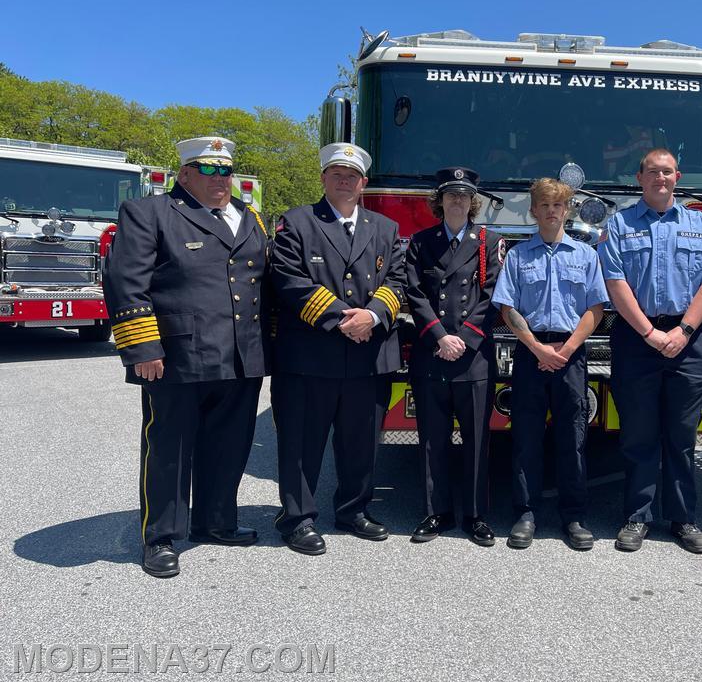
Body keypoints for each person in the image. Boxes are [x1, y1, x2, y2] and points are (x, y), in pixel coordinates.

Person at [103, 136, 270, 578]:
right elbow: (125, 280)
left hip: (241, 355)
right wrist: (141, 346)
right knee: (169, 450)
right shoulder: (150, 212)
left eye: (226, 171)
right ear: (185, 173)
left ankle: (215, 521)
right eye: (208, 170)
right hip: (177, 356)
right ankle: (161, 536)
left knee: (229, 445)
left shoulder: (249, 217)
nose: (220, 179)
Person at [270, 142, 404, 556]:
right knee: (302, 443)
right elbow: (288, 280)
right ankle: (297, 518)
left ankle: (352, 509)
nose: (344, 181)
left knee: (360, 441)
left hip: (368, 356)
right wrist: (346, 319)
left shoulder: (386, 228)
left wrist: (374, 315)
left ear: (364, 183)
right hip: (312, 355)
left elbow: (399, 279)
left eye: (352, 176)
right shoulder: (295, 223)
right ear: (324, 179)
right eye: (336, 174)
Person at [598, 148, 702, 553]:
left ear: (678, 177)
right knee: (638, 435)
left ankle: (683, 518)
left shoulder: (699, 224)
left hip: (687, 341)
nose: (660, 178)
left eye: (667, 172)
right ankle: (637, 517)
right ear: (639, 178)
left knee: (681, 436)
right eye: (652, 172)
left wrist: (684, 329)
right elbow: (614, 281)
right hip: (636, 339)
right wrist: (650, 333)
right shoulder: (619, 224)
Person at [492, 178, 608, 550]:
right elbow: (507, 309)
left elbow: (595, 309)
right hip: (530, 354)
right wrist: (539, 349)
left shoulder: (586, 256)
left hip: (571, 356)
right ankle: (525, 514)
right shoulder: (518, 256)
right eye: (544, 205)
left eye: (557, 205)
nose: (551, 211)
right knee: (526, 438)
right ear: (534, 211)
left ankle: (574, 516)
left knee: (572, 438)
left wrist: (567, 348)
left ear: (566, 210)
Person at [404, 167, 502, 546]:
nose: (458, 200)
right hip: (433, 351)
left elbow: (493, 295)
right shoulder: (420, 241)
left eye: (464, 195)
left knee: (477, 440)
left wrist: (461, 338)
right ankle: (437, 512)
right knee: (433, 438)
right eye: (450, 195)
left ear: (473, 202)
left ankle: (476, 514)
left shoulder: (490, 241)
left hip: (472, 355)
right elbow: (414, 293)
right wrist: (440, 337)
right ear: (440, 201)